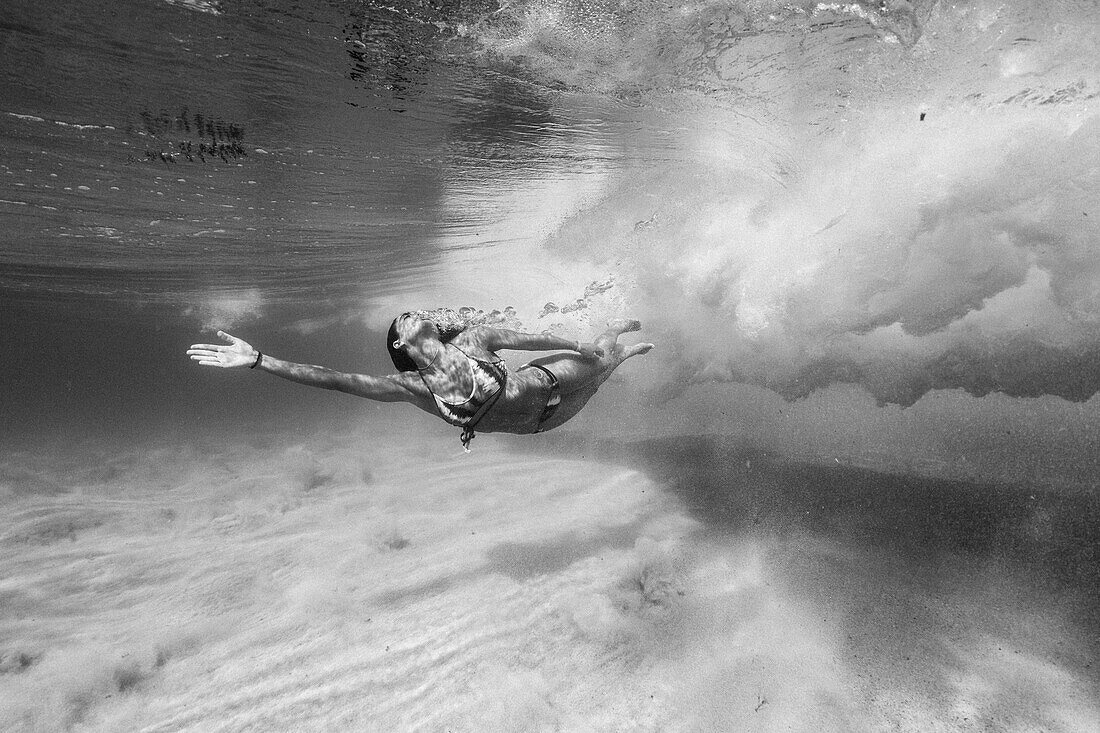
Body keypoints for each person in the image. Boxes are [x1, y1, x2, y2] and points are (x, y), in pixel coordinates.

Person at [187, 310, 654, 450]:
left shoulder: (473, 339)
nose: (423, 317)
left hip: (546, 381)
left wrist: (573, 345)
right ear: (404, 345)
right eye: (412, 319)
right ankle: (617, 354)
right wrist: (259, 360)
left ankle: (612, 334)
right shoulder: (413, 388)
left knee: (600, 356)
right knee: (603, 378)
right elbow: (334, 380)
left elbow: (530, 338)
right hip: (542, 425)